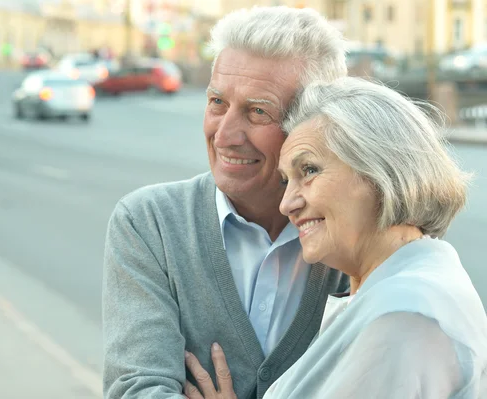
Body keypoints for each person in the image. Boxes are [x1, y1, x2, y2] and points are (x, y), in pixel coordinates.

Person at [183, 77, 487, 398]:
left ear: (380, 172)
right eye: (287, 180)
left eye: (310, 170)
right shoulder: (400, 292)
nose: (287, 204)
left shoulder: (404, 317)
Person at [102, 6, 350, 399]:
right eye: (217, 102)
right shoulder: (149, 224)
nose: (225, 135)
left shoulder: (354, 235)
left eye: (257, 111)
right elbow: (137, 389)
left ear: (314, 125)